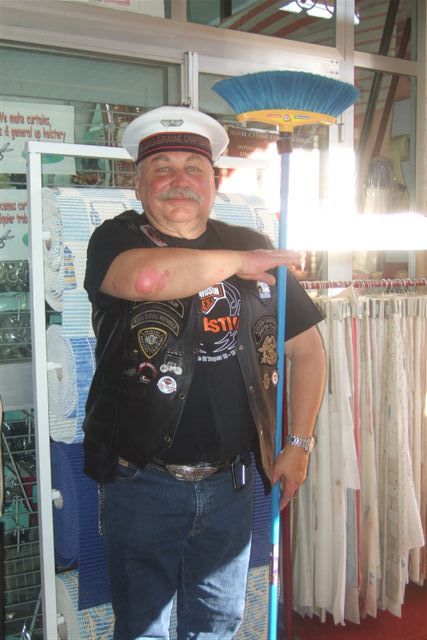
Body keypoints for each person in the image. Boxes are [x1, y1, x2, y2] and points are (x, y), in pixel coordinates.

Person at [83, 105, 326, 640]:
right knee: (142, 629)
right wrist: (240, 263)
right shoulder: (115, 240)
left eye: (194, 168)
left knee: (217, 628)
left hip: (230, 485)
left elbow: (308, 351)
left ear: (214, 183)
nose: (179, 180)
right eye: (162, 168)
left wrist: (299, 444)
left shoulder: (248, 241)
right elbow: (147, 281)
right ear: (138, 184)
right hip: (141, 483)